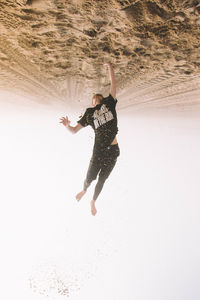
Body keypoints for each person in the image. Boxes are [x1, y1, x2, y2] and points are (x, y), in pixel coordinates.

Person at [60, 63, 120, 216]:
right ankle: (84, 190)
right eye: (93, 99)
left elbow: (113, 84)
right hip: (102, 151)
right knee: (90, 177)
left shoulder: (109, 103)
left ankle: (93, 200)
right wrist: (68, 125)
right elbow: (73, 131)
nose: (95, 97)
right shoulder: (89, 113)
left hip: (112, 150)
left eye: (97, 96)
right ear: (92, 103)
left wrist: (110, 68)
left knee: (102, 179)